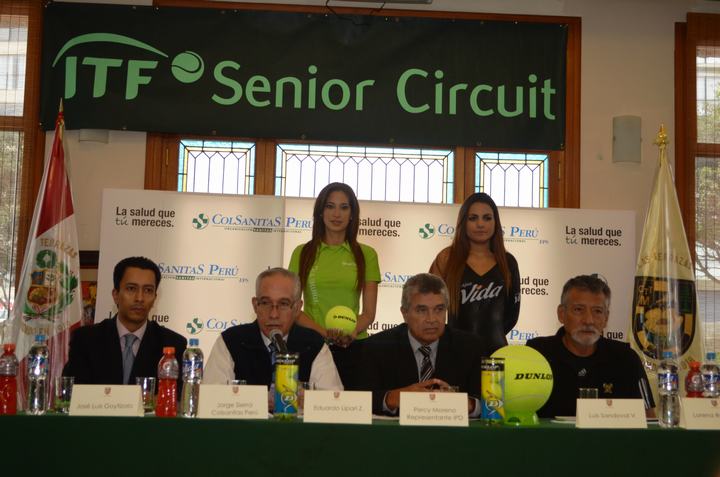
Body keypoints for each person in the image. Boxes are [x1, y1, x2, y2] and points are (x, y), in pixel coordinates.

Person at [288, 182, 380, 388]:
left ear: (352, 214)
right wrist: (323, 333)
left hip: (354, 347)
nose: (336, 214)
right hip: (311, 344)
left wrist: (351, 333)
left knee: (352, 405)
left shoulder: (367, 254)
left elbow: (369, 313)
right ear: (320, 212)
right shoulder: (302, 253)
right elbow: (293, 308)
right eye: (330, 206)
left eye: (344, 207)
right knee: (310, 405)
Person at [355, 273, 488, 415]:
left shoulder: (470, 347)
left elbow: (490, 402)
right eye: (422, 310)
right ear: (404, 313)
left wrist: (467, 404)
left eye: (439, 309)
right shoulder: (377, 346)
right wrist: (393, 398)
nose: (431, 319)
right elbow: (359, 400)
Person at [526, 274, 655, 418]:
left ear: (606, 318)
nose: (588, 320)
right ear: (561, 314)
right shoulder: (536, 354)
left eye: (597, 311)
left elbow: (649, 420)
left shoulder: (626, 358)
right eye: (578, 310)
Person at [204, 268, 343, 390]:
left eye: (283, 304)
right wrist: (260, 400)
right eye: (265, 303)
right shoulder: (231, 341)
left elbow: (330, 401)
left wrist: (303, 399)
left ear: (297, 308)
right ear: (255, 305)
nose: (274, 314)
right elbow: (211, 396)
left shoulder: (313, 344)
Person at [63, 256, 186, 387]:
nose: (140, 298)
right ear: (116, 295)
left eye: (148, 290)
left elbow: (175, 395)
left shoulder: (172, 344)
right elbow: (74, 392)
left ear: (155, 298)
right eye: (131, 288)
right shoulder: (86, 340)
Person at [430, 192, 520, 353]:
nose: (480, 224)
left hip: (496, 353)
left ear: (496, 222)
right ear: (463, 222)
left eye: (487, 218)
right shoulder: (447, 258)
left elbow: (512, 315)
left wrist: (489, 338)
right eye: (473, 218)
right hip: (455, 352)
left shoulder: (508, 262)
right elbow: (431, 305)